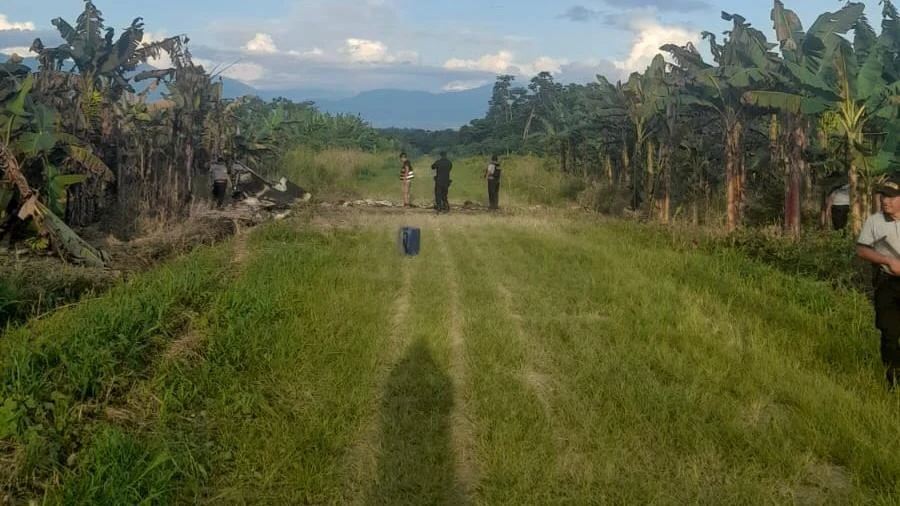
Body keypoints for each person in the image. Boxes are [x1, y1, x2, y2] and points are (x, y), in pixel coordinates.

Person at [857, 175, 900, 388]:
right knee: (889, 334)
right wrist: (887, 260)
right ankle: (892, 380)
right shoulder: (875, 221)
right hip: (887, 284)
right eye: (883, 196)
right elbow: (862, 249)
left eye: (891, 197)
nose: (885, 201)